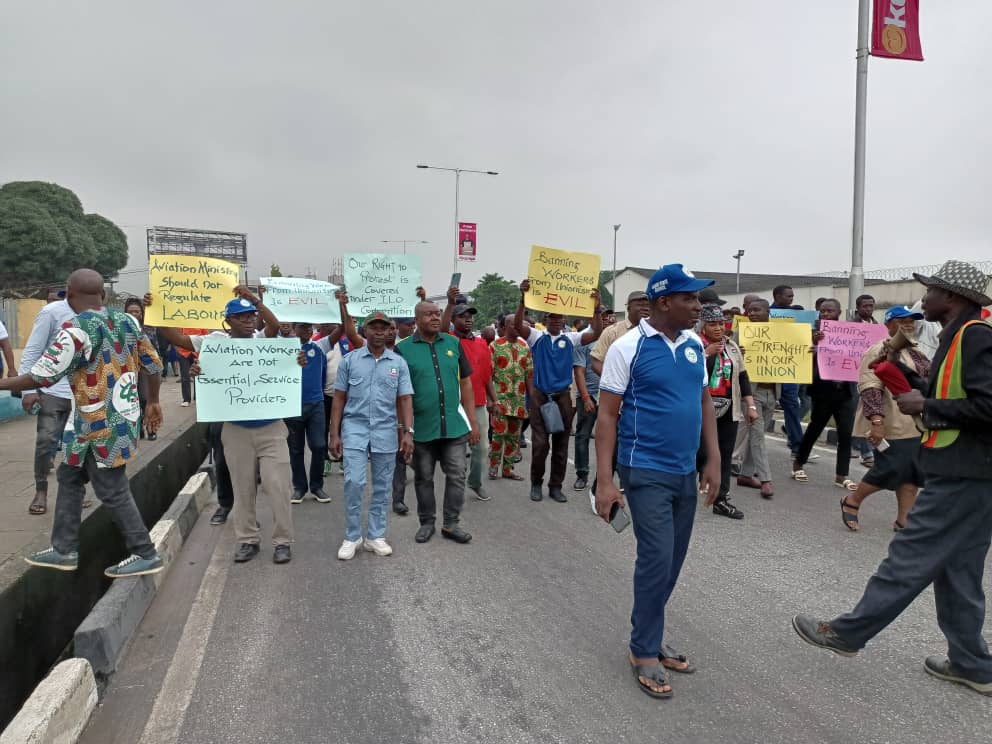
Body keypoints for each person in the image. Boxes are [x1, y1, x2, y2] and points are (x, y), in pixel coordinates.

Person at [793, 259, 992, 697]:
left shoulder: (974, 338)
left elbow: (987, 406)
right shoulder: (956, 337)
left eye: (931, 291)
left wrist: (928, 408)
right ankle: (973, 664)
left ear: (953, 297)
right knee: (959, 570)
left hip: (963, 474)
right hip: (969, 474)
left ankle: (847, 633)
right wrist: (903, 379)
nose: (921, 298)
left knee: (909, 555)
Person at [595, 264, 722, 699]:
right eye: (691, 299)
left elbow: (704, 401)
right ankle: (643, 649)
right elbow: (607, 415)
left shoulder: (693, 345)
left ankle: (651, 633)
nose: (699, 307)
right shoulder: (627, 347)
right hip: (644, 468)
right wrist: (604, 480)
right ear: (665, 302)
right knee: (655, 557)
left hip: (685, 469)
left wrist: (714, 460)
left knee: (672, 561)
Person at [5, 269, 165, 578]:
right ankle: (64, 549)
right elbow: (153, 364)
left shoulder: (76, 329)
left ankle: (145, 552)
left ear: (70, 296)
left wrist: (4, 383)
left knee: (112, 489)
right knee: (69, 476)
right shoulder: (128, 322)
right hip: (115, 420)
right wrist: (155, 401)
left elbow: (41, 375)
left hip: (98, 427)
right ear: (103, 296)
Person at [154, 288, 301, 565]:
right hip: (236, 430)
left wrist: (256, 299)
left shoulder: (263, 340)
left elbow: (273, 324)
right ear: (228, 322)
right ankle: (247, 540)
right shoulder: (214, 343)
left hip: (271, 428)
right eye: (241, 316)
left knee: (278, 486)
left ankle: (283, 541)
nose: (248, 320)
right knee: (242, 487)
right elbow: (176, 337)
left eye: (251, 315)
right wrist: (156, 313)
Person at [329, 312, 414, 560]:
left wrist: (407, 432)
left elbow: (405, 399)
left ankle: (375, 536)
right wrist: (334, 433)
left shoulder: (398, 364)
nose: (379, 332)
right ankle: (352, 535)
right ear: (364, 331)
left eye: (383, 328)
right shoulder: (349, 361)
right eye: (373, 327)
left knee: (382, 486)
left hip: (386, 430)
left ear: (390, 331)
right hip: (354, 429)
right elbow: (339, 398)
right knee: (354, 482)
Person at [395, 299, 479, 544]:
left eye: (437, 314)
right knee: (424, 477)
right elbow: (401, 395)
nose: (434, 318)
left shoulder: (453, 344)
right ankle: (427, 522)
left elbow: (466, 382)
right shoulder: (404, 350)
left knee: (457, 475)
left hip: (453, 426)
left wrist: (473, 422)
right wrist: (404, 431)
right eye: (428, 314)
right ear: (417, 320)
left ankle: (451, 523)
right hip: (421, 428)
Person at [840, 306, 929, 533]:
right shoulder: (879, 350)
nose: (908, 325)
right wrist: (877, 423)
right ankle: (853, 500)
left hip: (916, 424)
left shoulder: (917, 352)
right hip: (891, 423)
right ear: (889, 325)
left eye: (911, 321)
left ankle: (903, 520)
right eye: (902, 321)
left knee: (912, 471)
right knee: (890, 467)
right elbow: (870, 387)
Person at [515, 280, 603, 503]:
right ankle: (536, 483)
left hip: (563, 397)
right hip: (540, 397)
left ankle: (556, 486)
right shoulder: (537, 337)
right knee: (541, 444)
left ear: (564, 321)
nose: (557, 321)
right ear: (545, 321)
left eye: (560, 318)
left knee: (562, 446)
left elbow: (595, 333)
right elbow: (518, 326)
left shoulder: (571, 338)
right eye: (552, 317)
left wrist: (595, 309)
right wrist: (522, 300)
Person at [17, 290, 76, 515]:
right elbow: (32, 351)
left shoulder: (97, 315)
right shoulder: (51, 313)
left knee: (78, 446)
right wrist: (28, 390)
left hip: (85, 393)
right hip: (52, 390)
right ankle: (40, 490)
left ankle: (73, 493)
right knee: (45, 442)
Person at [696, 303, 757, 519]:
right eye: (712, 324)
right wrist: (706, 354)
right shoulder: (694, 345)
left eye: (721, 323)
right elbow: (687, 372)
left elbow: (742, 377)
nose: (718, 328)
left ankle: (721, 499)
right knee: (700, 452)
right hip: (700, 408)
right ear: (702, 325)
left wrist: (750, 405)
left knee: (724, 453)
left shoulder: (731, 347)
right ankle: (689, 486)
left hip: (728, 409)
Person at [791, 299, 857, 490]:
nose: (826, 314)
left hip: (845, 392)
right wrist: (814, 345)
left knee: (845, 434)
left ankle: (841, 475)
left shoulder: (849, 334)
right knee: (814, 430)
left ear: (839, 312)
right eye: (822, 311)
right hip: (822, 391)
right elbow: (802, 356)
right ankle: (798, 464)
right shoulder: (813, 334)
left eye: (830, 311)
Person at [445, 292, 496, 501]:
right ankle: (454, 484)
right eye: (462, 316)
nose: (468, 319)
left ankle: (475, 482)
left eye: (470, 316)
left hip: (478, 403)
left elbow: (487, 375)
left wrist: (495, 399)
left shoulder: (483, 344)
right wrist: (449, 304)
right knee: (453, 452)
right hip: (452, 405)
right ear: (452, 320)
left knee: (482, 447)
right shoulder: (446, 340)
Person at [732, 299, 775, 499]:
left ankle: (745, 475)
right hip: (751, 393)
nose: (753, 313)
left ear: (768, 312)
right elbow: (728, 359)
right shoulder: (741, 334)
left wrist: (806, 351)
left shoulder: (783, 334)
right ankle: (766, 480)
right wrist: (736, 353)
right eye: (749, 310)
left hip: (772, 393)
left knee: (756, 436)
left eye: (757, 310)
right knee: (757, 435)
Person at [285, 322, 331, 504]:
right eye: (303, 327)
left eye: (309, 327)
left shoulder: (320, 346)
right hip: (292, 406)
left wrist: (343, 306)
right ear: (294, 329)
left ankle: (317, 486)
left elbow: (342, 329)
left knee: (319, 445)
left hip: (315, 405)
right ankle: (299, 488)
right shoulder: (282, 348)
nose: (308, 330)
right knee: (295, 449)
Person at [572, 306, 612, 491]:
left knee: (612, 438)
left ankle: (607, 477)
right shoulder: (584, 339)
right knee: (583, 436)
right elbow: (579, 372)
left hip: (610, 395)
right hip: (588, 396)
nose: (606, 319)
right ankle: (582, 474)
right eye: (602, 316)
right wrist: (586, 397)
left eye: (607, 316)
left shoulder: (614, 337)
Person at [489, 313, 532, 481]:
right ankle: (493, 466)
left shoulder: (524, 346)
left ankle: (507, 469)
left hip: (518, 400)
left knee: (514, 437)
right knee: (499, 434)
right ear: (505, 326)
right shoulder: (494, 346)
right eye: (514, 324)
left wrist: (531, 399)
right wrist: (491, 401)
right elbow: (488, 375)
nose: (518, 327)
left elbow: (529, 374)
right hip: (500, 398)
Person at [771, 285, 805, 456]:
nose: (791, 299)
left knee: (792, 407)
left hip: (789, 370)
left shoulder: (798, 317)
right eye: (788, 296)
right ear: (777, 296)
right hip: (768, 370)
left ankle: (797, 446)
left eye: (792, 296)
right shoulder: (765, 314)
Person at [123, 298, 161, 442]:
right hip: (129, 369)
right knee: (134, 400)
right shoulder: (120, 328)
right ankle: (138, 429)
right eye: (130, 311)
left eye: (137, 311)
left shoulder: (148, 327)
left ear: (142, 313)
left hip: (147, 368)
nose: (134, 314)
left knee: (146, 398)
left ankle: (151, 429)